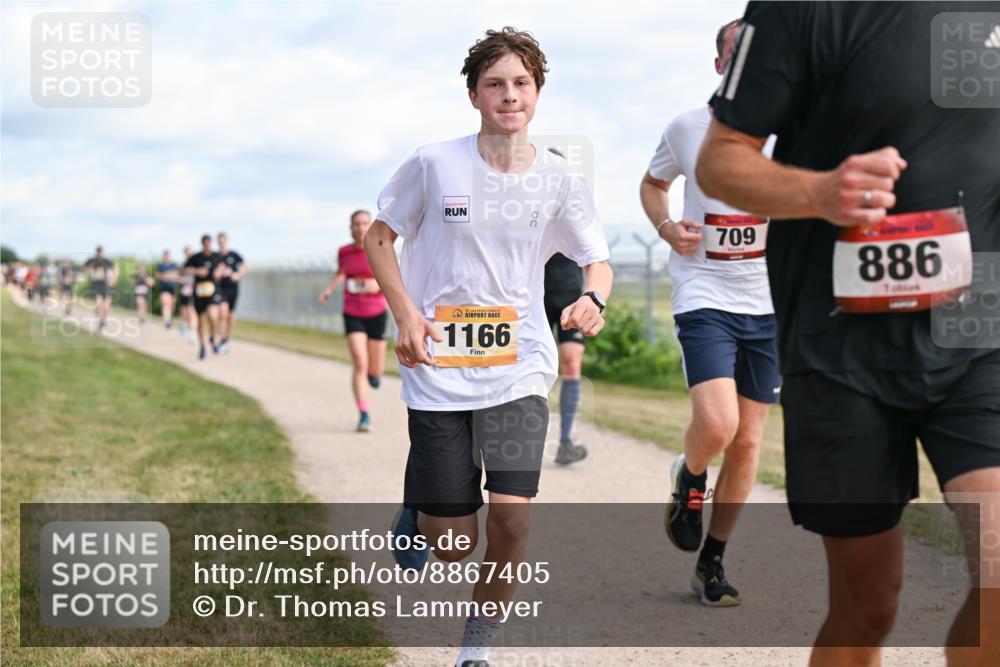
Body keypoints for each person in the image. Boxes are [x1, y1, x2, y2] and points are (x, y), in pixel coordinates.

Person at [696, 2, 999, 664]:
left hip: (979, 334)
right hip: (840, 343)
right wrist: (821, 192)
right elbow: (719, 162)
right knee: (868, 605)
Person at [365, 27, 612, 667]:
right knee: (452, 546)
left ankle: (474, 651)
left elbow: (598, 259)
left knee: (511, 522)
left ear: (537, 92)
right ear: (474, 94)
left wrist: (595, 299)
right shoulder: (434, 163)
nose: (510, 95)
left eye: (521, 83)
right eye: (496, 84)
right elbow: (382, 239)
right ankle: (419, 507)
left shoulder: (559, 180)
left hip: (518, 370)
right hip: (438, 369)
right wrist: (407, 313)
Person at [638, 18, 779, 607]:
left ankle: (712, 562)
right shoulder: (688, 127)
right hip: (705, 291)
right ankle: (690, 476)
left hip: (770, 301)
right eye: (739, 54)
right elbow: (652, 185)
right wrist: (668, 227)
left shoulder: (791, 132)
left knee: (748, 444)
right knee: (718, 426)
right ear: (720, 65)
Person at [320, 209, 388, 432]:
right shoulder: (344, 252)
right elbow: (341, 272)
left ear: (371, 226)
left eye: (365, 223)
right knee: (360, 361)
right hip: (353, 312)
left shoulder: (379, 247)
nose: (361, 227)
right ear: (351, 228)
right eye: (357, 223)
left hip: (376, 311)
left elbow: (389, 275)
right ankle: (364, 413)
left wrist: (376, 285)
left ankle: (375, 373)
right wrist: (329, 289)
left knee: (375, 369)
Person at [543, 252, 589, 465]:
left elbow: (594, 259)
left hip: (571, 297)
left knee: (571, 362)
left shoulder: (579, 218)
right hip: (535, 296)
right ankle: (523, 434)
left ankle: (566, 440)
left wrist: (593, 298)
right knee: (531, 364)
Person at [183, 235, 225, 360]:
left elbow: (222, 265)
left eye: (209, 243)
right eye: (205, 243)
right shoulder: (196, 257)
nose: (207, 245)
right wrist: (196, 271)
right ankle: (202, 347)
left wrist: (219, 272)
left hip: (212, 290)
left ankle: (212, 337)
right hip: (200, 292)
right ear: (202, 244)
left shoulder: (216, 256)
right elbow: (184, 269)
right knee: (201, 322)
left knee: (213, 317)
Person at [216, 232, 246, 354]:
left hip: (233, 288)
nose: (222, 243)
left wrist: (238, 274)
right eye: (220, 241)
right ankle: (221, 339)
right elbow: (214, 274)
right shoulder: (216, 257)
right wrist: (219, 270)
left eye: (223, 241)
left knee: (230, 316)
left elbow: (244, 266)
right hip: (221, 288)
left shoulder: (234, 255)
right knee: (223, 313)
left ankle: (226, 339)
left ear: (226, 241)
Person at [84, 246, 117, 329]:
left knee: (106, 306)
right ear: (96, 252)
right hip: (96, 285)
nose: (100, 254)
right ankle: (100, 321)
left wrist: (114, 278)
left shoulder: (107, 261)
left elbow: (115, 268)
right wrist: (90, 273)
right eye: (98, 252)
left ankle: (103, 320)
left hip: (105, 285)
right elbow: (86, 268)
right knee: (99, 303)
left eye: (101, 252)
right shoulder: (92, 261)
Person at [155, 250, 181, 329]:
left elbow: (177, 276)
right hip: (164, 288)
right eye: (165, 256)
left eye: (168, 256)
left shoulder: (174, 265)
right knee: (165, 303)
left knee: (171, 305)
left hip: (172, 288)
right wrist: (167, 275)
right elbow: (157, 276)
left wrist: (169, 276)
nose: (167, 257)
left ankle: (169, 319)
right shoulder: (160, 266)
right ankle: (166, 321)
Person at [178, 245, 198, 342]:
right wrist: (182, 281)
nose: (189, 254)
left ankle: (192, 333)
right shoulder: (183, 265)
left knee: (192, 311)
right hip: (185, 290)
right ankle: (182, 324)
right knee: (184, 311)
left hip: (194, 291)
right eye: (188, 253)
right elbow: (179, 277)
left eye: (191, 252)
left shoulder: (197, 263)